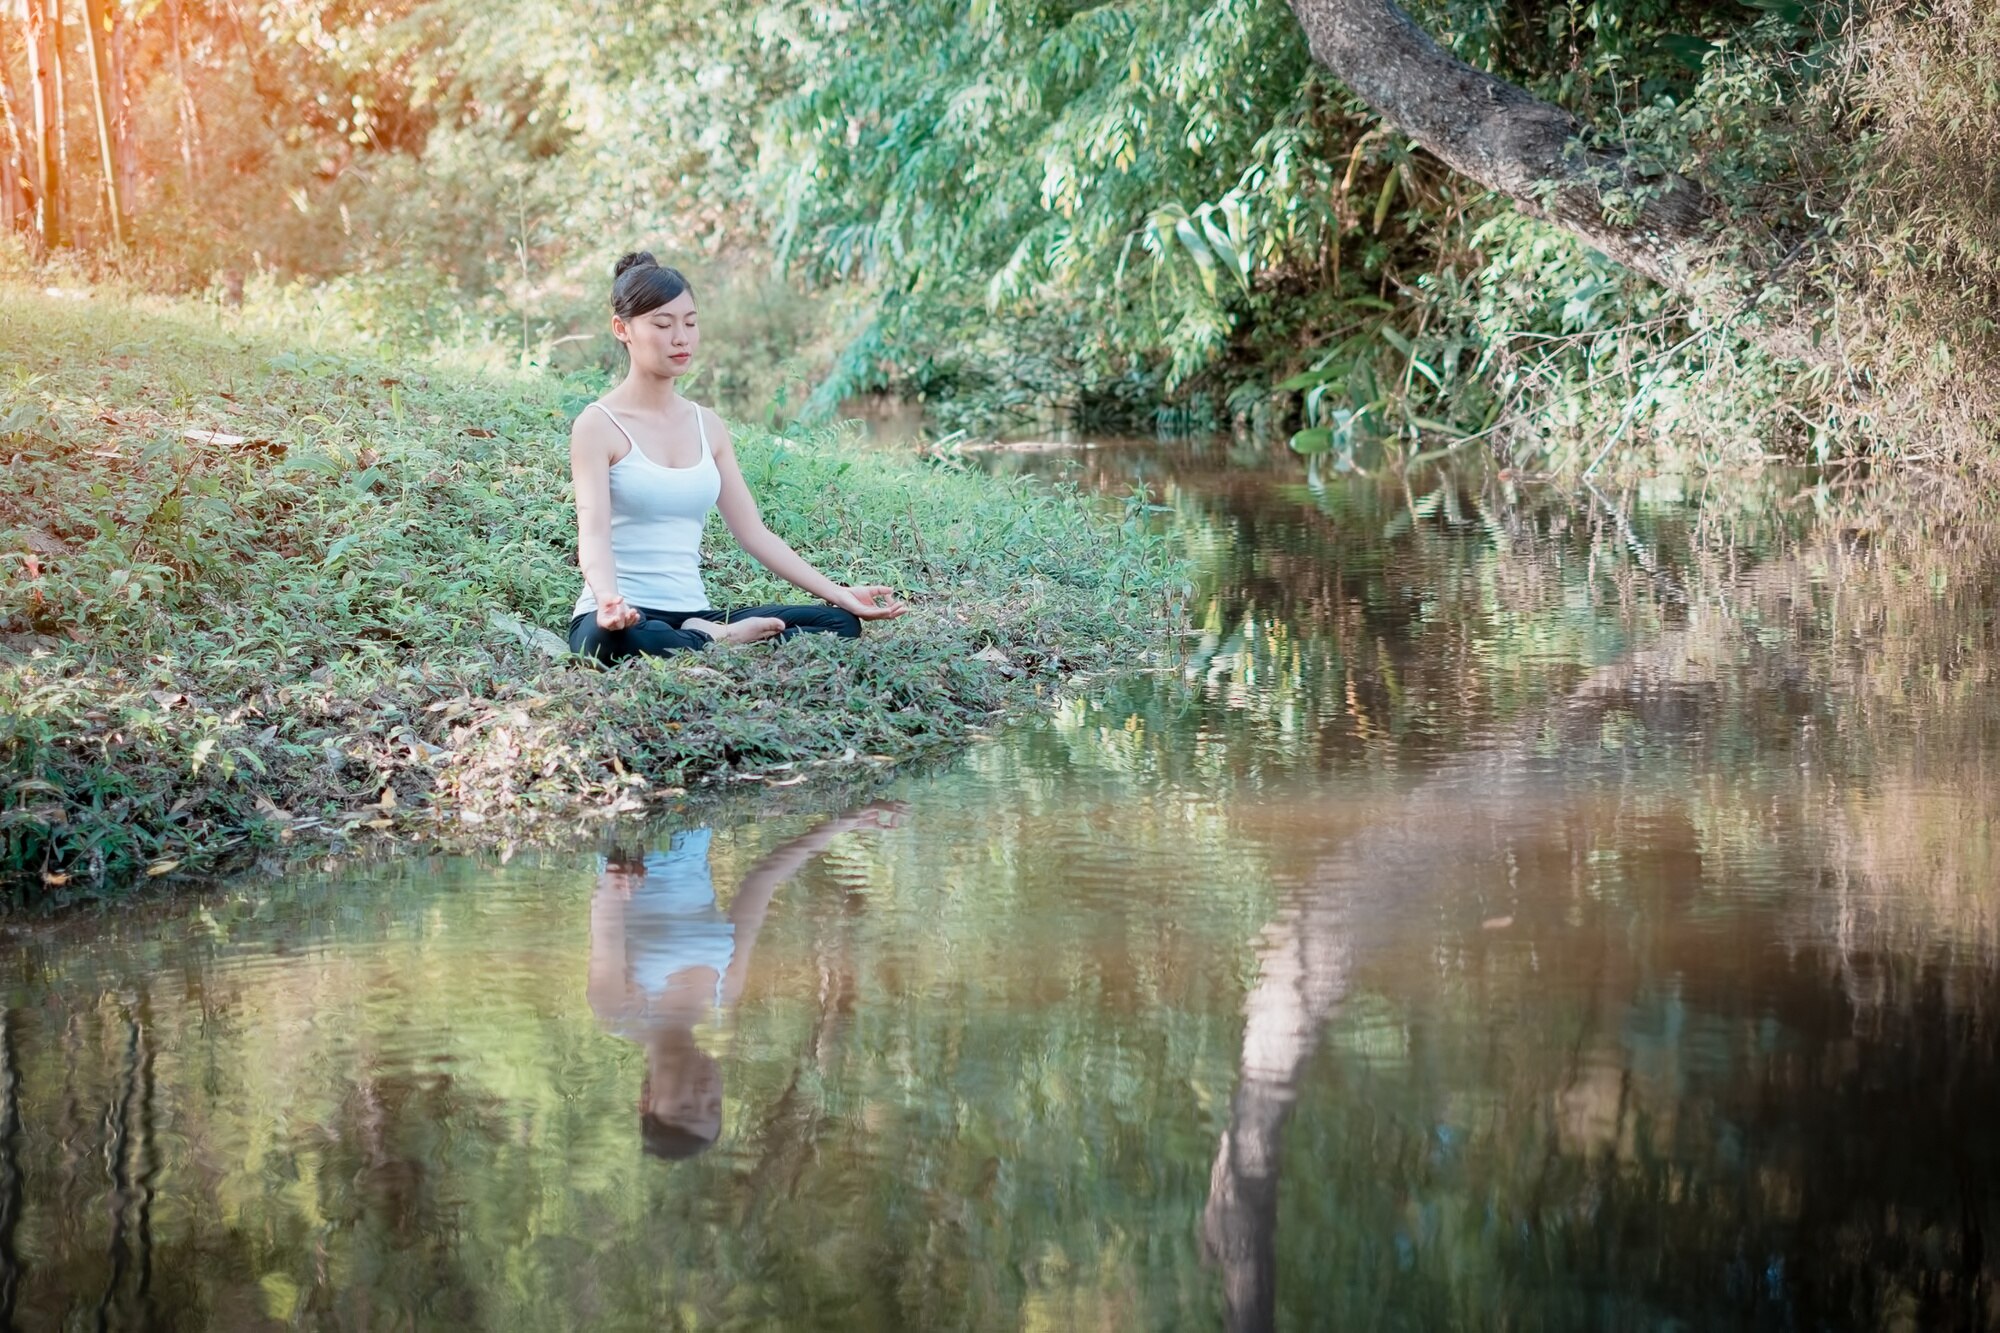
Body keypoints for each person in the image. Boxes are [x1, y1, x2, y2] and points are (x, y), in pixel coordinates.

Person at [566, 250, 909, 664]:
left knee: (841, 624)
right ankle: (716, 640)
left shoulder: (706, 425)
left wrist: (839, 594)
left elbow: (754, 533)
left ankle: (705, 635)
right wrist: (607, 600)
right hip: (621, 616)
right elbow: (595, 534)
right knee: (605, 642)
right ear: (622, 329)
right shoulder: (598, 425)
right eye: (662, 324)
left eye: (690, 323)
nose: (681, 338)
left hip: (693, 612)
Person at [585, 803, 905, 1159]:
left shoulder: (617, 1011)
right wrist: (844, 823)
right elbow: (764, 878)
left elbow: (605, 923)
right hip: (694, 825)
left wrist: (613, 881)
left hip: (627, 841)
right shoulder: (725, 990)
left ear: (646, 1101)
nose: (704, 1094)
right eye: (713, 1106)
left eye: (686, 1108)